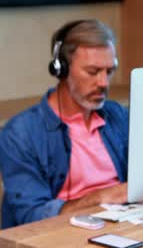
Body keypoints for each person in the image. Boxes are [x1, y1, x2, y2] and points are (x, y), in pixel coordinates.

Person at [0, 19, 128, 228]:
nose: (104, 83)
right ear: (62, 70)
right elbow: (31, 216)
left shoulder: (117, 116)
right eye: (93, 72)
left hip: (121, 224)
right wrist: (99, 197)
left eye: (109, 71)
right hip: (59, 232)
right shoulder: (21, 133)